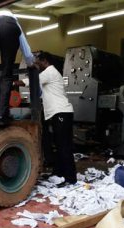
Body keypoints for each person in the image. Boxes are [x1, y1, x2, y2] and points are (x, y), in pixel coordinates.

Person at [13, 51, 77, 185]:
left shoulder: (50, 72)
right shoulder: (49, 72)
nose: (37, 66)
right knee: (59, 145)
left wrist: (13, 83)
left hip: (61, 112)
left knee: (64, 146)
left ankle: (71, 178)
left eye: (38, 63)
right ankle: (58, 173)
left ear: (45, 61)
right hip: (59, 113)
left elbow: (31, 81)